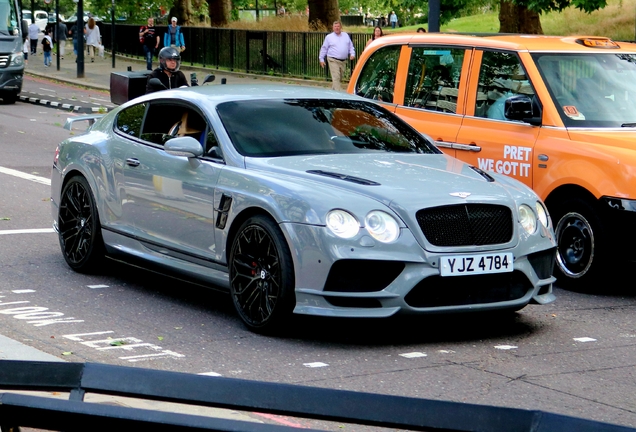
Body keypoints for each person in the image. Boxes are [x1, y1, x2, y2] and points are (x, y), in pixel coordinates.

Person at [319, 21, 355, 91]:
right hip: (333, 60)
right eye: (335, 26)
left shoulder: (345, 35)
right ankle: (339, 95)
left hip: (343, 61)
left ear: (341, 27)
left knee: (339, 78)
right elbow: (324, 48)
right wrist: (321, 59)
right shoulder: (329, 37)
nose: (337, 28)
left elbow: (351, 46)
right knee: (336, 77)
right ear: (333, 28)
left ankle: (333, 93)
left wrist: (352, 54)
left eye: (338, 26)